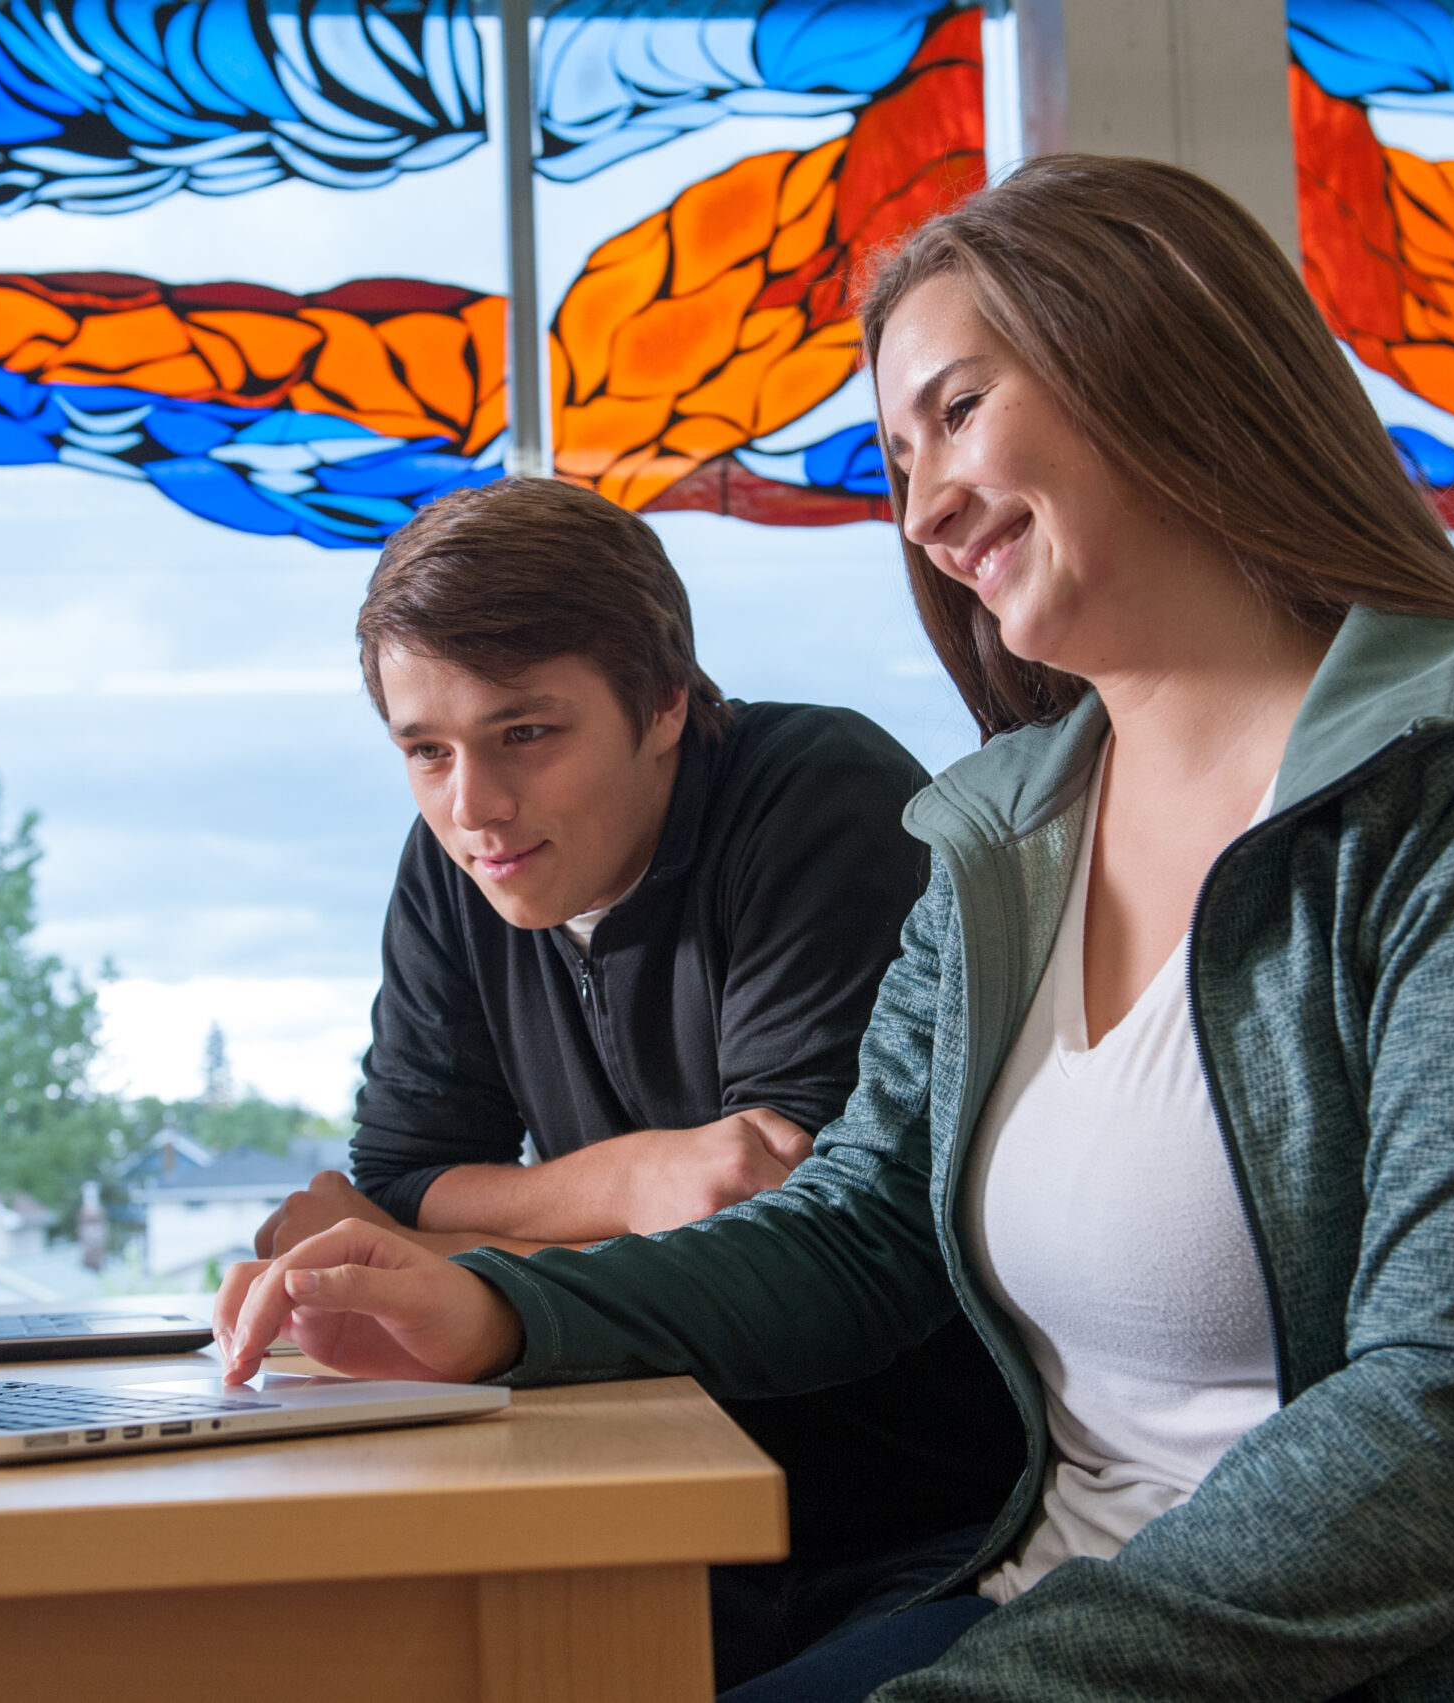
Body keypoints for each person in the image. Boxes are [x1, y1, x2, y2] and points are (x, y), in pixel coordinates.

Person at [214, 157, 1454, 1703]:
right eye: (897, 456)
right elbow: (859, 1232)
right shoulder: (1011, 831)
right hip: (1036, 1605)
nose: (921, 505)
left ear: (1163, 361)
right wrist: (499, 1316)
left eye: (957, 408)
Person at [251, 476, 1022, 1691]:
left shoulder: (813, 786)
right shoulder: (458, 861)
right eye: (425, 751)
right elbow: (395, 1176)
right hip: (643, 1493)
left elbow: (783, 1208)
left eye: (525, 733)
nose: (474, 808)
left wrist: (459, 1235)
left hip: (906, 1522)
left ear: (663, 703)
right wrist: (634, 1172)